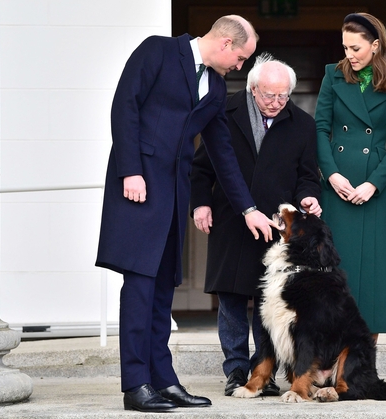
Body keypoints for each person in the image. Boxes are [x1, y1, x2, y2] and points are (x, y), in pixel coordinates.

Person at [95, 15, 278, 412]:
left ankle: (163, 380)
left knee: (163, 292)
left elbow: (222, 153)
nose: (241, 67)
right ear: (227, 44)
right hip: (138, 189)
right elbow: (124, 104)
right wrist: (131, 170)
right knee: (140, 289)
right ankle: (136, 384)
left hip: (174, 198)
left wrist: (248, 209)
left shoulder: (214, 84)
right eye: (243, 58)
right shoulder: (157, 50)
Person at [190, 52, 322, 397]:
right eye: (269, 95)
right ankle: (236, 371)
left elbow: (308, 176)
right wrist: (201, 203)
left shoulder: (303, 125)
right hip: (232, 220)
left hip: (276, 230)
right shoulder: (223, 114)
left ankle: (265, 372)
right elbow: (201, 168)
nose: (277, 102)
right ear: (252, 89)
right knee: (232, 300)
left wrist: (308, 197)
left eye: (283, 95)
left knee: (270, 303)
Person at [314, 13, 386, 342]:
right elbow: (321, 128)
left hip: (374, 186)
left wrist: (374, 183)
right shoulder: (333, 75)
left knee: (372, 277)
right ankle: (327, 362)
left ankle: (362, 363)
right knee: (333, 270)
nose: (349, 55)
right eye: (345, 48)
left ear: (375, 45)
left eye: (355, 48)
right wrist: (331, 174)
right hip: (338, 186)